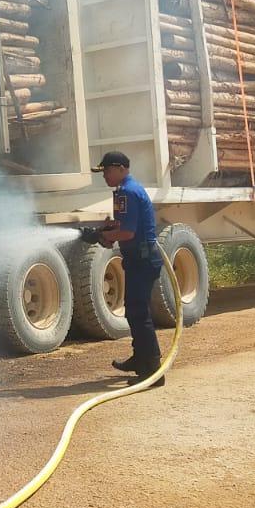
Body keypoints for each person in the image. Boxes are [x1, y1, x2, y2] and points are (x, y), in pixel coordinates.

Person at [90, 151, 166, 387]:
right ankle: (140, 359)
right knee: (134, 311)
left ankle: (153, 370)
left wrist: (104, 236)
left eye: (107, 171)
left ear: (120, 168)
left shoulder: (127, 192)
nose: (104, 176)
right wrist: (105, 231)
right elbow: (122, 225)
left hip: (142, 260)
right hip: (138, 259)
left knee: (138, 313)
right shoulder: (126, 190)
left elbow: (127, 233)